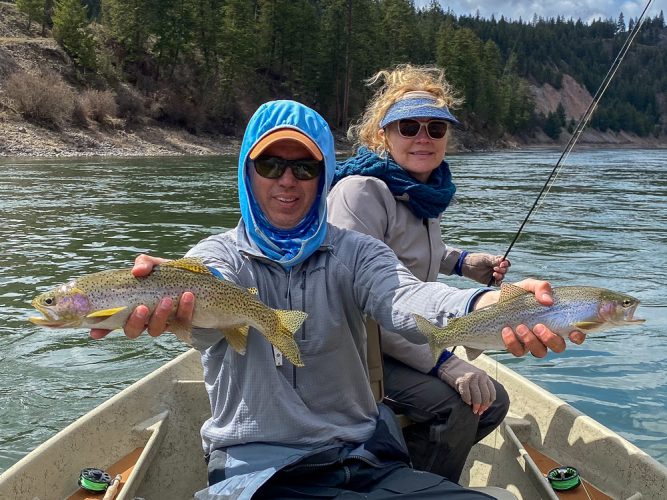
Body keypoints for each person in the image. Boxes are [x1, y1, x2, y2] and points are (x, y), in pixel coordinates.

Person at [91, 99, 584, 499]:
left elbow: (407, 297)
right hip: (257, 470)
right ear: (247, 172)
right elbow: (206, 294)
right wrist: (166, 298)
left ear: (324, 175)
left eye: (305, 168)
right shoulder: (217, 256)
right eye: (271, 164)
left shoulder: (357, 252)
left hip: (362, 456)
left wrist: (484, 306)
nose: (287, 180)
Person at [328, 64, 510, 481]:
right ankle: (420, 490)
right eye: (408, 127)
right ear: (382, 136)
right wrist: (444, 363)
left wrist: (462, 262)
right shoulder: (362, 191)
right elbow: (370, 296)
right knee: (459, 407)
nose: (423, 137)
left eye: (436, 128)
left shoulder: (423, 193)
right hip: (357, 351)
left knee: (493, 403)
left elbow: (409, 252)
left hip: (398, 341)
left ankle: (402, 473)